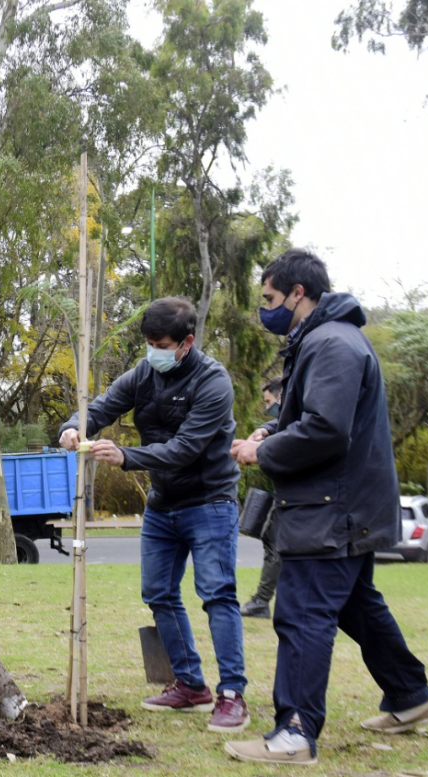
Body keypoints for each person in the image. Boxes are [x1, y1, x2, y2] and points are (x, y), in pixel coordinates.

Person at [227, 249, 428, 765]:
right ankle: (412, 697)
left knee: (301, 615)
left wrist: (264, 450)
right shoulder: (325, 340)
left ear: (299, 294)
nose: (266, 309)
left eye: (271, 299)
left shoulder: (331, 343)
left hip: (331, 510)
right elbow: (319, 414)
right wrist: (275, 428)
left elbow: (326, 429)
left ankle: (295, 732)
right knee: (354, 604)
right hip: (347, 505)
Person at [59, 296, 250, 733]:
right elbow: (101, 407)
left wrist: (126, 456)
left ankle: (232, 693)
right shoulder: (144, 374)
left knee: (217, 594)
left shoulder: (213, 382)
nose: (153, 351)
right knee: (159, 593)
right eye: (147, 342)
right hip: (164, 505)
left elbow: (185, 448)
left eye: (160, 344)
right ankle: (190, 684)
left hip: (209, 502)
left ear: (186, 342)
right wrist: (73, 426)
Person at [240, 377, 283, 619]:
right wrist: (265, 429)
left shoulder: (299, 416)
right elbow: (284, 424)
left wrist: (262, 448)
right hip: (285, 494)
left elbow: (292, 429)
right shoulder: (286, 419)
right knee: (272, 541)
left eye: (269, 401)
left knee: (274, 544)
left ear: (280, 397)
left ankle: (261, 601)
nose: (267, 407)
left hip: (293, 496)